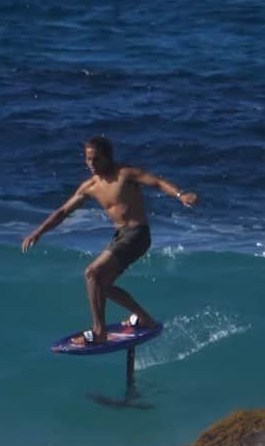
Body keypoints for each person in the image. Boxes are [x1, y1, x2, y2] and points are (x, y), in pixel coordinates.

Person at [21, 136, 198, 345]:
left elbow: (157, 182)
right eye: (88, 159)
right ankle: (145, 319)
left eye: (96, 159)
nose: (91, 164)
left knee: (92, 273)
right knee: (100, 286)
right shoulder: (90, 186)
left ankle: (99, 332)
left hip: (137, 234)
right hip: (120, 236)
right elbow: (62, 211)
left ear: (107, 157)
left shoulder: (125, 174)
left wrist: (180, 195)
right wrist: (38, 232)